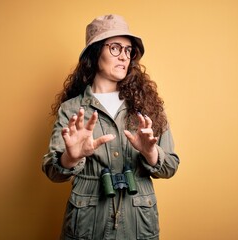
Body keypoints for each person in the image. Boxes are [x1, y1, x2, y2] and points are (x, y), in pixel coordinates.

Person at [42, 14, 180, 240]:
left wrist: (151, 153)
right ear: (95, 53)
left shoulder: (148, 107)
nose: (124, 56)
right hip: (87, 224)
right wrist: (70, 157)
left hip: (139, 224)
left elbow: (171, 165)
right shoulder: (71, 109)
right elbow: (52, 171)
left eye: (128, 50)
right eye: (115, 48)